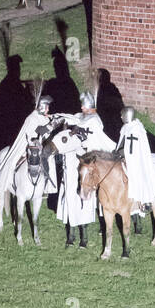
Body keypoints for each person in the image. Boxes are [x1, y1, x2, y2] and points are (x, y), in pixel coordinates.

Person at [55, 91, 115, 248]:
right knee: (69, 195)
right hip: (71, 159)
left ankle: (85, 236)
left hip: (86, 162)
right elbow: (72, 119)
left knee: (85, 200)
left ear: (90, 106)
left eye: (84, 105)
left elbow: (88, 131)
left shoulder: (94, 120)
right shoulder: (81, 116)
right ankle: (71, 234)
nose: (81, 107)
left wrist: (76, 129)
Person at [0, 94, 56, 207]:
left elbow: (44, 131)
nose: (48, 109)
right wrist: (50, 126)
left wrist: (53, 122)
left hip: (38, 146)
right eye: (47, 107)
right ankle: (9, 183)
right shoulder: (32, 118)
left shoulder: (42, 117)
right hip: (28, 145)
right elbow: (35, 133)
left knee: (50, 157)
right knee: (15, 162)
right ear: (42, 107)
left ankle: (45, 186)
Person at [116, 105, 155, 231]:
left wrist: (127, 156)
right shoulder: (125, 128)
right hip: (125, 159)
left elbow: (139, 149)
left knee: (139, 182)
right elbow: (122, 144)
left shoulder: (138, 130)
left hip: (137, 162)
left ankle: (144, 203)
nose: (121, 117)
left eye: (122, 115)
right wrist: (118, 152)